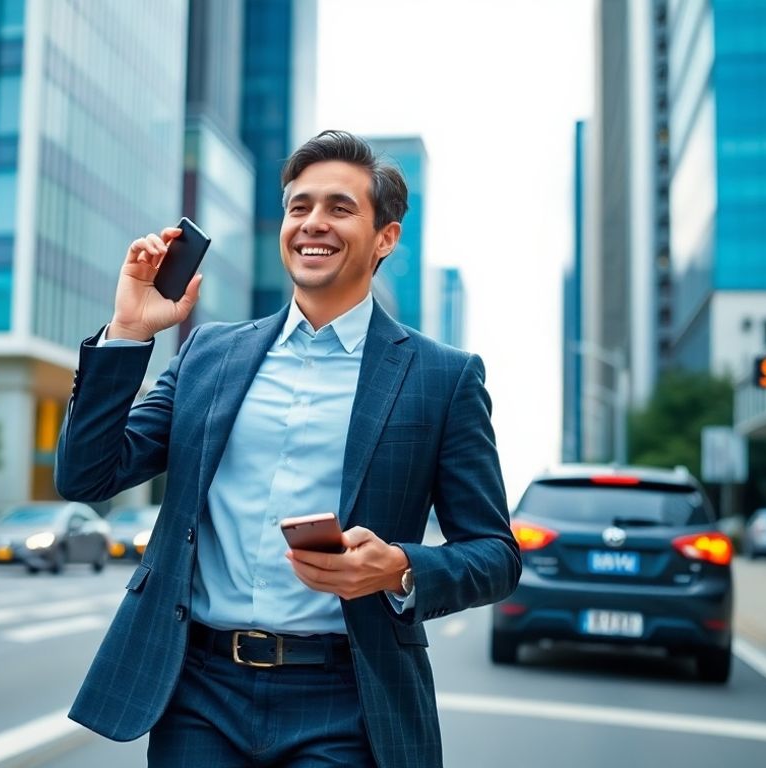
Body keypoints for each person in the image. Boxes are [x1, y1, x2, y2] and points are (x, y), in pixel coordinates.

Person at [55, 130, 520, 768]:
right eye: (299, 207)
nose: (313, 224)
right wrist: (130, 332)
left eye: (339, 208)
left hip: (346, 697)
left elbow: (495, 555)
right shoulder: (210, 355)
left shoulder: (443, 378)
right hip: (199, 691)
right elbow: (86, 474)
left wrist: (401, 567)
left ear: (385, 237)